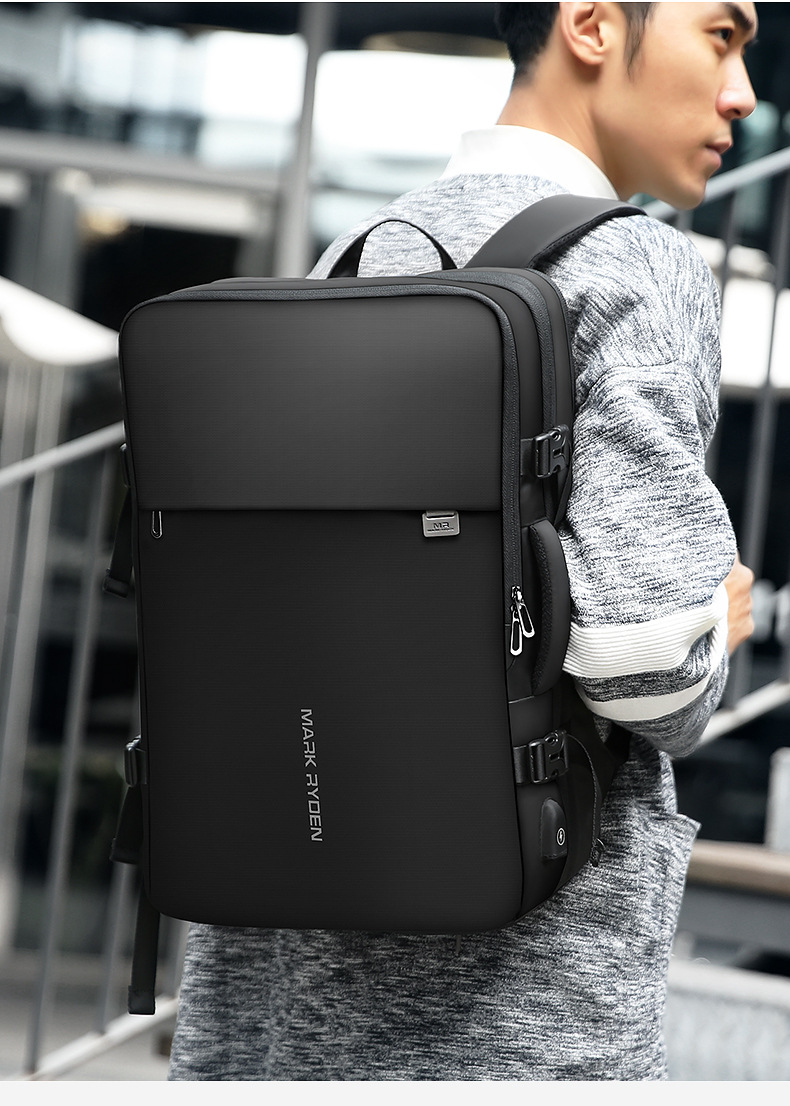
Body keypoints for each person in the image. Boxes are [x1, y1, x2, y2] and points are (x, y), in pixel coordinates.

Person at [168, 2, 756, 1080]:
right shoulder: (638, 265)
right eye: (722, 35)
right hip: (518, 1006)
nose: (743, 94)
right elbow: (647, 673)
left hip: (285, 982)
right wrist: (714, 626)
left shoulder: (351, 255)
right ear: (591, 24)